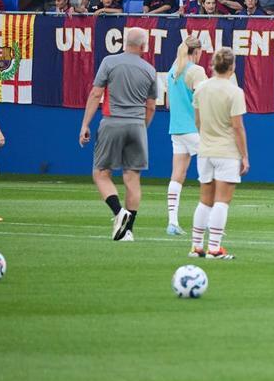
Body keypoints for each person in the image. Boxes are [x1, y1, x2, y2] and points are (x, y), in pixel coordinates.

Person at [78, 27, 158, 242]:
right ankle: (127, 231)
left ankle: (118, 212)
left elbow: (96, 94)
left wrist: (85, 124)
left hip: (112, 122)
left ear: (124, 43)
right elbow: (151, 106)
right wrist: (142, 127)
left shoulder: (109, 62)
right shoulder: (150, 70)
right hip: (137, 126)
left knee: (100, 173)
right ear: (143, 46)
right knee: (132, 178)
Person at [190, 47, 251, 259]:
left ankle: (196, 246)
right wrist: (244, 156)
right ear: (232, 66)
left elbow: (197, 121)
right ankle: (214, 248)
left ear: (213, 65)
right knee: (222, 201)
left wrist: (207, 138)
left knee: (204, 200)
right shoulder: (235, 92)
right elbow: (237, 127)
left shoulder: (201, 88)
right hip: (226, 152)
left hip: (205, 150)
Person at [164, 34, 208, 236]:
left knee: (177, 175)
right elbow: (204, 99)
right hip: (194, 129)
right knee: (213, 172)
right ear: (196, 51)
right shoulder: (196, 71)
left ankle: (172, 222)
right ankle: (208, 221)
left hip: (177, 128)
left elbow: (168, 103)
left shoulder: (173, 71)